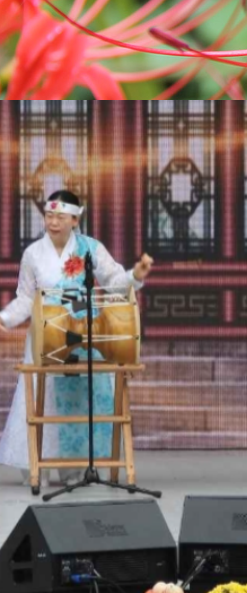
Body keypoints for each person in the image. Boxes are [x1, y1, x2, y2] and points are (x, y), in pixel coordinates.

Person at [0, 191, 152, 486]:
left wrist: (135, 275)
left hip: (82, 334)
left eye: (60, 216)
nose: (53, 222)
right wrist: (4, 319)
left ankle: (77, 467)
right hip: (45, 335)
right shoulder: (33, 254)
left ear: (74, 219)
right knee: (42, 399)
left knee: (80, 400)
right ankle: (38, 466)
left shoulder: (90, 249)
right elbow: (25, 298)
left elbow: (114, 283)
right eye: (49, 215)